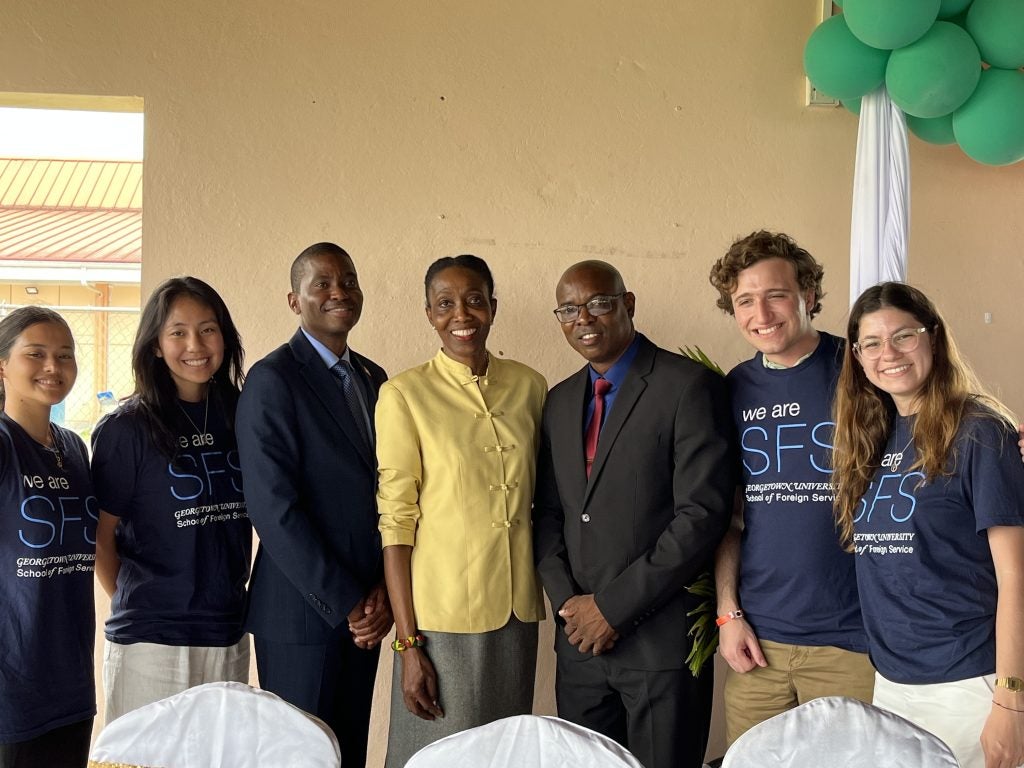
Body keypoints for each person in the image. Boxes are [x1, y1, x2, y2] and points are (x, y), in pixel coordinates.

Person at [533, 260, 736, 768]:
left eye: (599, 302)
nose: (585, 319)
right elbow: (549, 514)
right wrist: (571, 609)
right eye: (569, 309)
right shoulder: (558, 402)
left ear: (628, 304)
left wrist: (612, 609)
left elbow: (701, 516)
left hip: (660, 648)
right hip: (580, 648)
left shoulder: (686, 386)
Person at [832, 281, 1024, 768]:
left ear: (933, 338)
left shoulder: (980, 432)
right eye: (871, 343)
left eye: (903, 336)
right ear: (856, 356)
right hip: (893, 684)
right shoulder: (870, 437)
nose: (887, 353)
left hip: (969, 687)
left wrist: (1010, 700)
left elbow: (1015, 576)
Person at [376, 254, 547, 767]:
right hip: (440, 620)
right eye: (445, 303)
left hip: (517, 609)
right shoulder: (404, 394)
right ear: (429, 313)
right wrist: (408, 644)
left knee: (503, 755)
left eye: (474, 300)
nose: (461, 314)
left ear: (493, 307)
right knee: (435, 755)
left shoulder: (530, 386)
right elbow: (396, 524)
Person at [708, 231, 874, 745]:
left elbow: (938, 419)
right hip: (759, 642)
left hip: (853, 640)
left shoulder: (862, 368)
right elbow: (729, 517)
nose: (762, 312)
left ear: (808, 294)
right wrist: (728, 614)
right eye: (744, 300)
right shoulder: (731, 390)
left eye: (776, 294)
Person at [235, 242, 392, 768]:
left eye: (348, 280)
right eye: (321, 283)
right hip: (302, 617)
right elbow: (273, 509)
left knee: (348, 752)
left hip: (367, 612)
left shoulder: (374, 378)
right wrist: (349, 600)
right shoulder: (272, 379)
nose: (338, 292)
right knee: (301, 758)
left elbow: (387, 492)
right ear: (293, 300)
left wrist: (380, 594)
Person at [91, 277, 252, 724]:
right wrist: (148, 603)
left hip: (226, 632)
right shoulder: (127, 428)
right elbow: (100, 538)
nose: (195, 344)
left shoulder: (241, 413)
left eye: (208, 328)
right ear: (156, 345)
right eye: (178, 332)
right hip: (151, 642)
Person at [0, 307, 96, 768]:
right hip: (12, 691)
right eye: (35, 354)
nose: (53, 367)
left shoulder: (73, 448)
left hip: (72, 683)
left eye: (65, 355)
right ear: (2, 364)